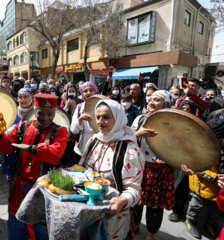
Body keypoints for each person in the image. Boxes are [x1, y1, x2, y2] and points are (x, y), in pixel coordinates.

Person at [0, 93, 68, 240]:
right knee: (16, 225)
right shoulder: (23, 126)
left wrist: (29, 148)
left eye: (50, 114)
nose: (45, 118)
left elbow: (55, 153)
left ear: (55, 113)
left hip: (45, 190)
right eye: (40, 113)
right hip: (20, 186)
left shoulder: (60, 131)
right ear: (34, 111)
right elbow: (7, 147)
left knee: (42, 229)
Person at [79, 99, 144, 240]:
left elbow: (134, 190)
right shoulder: (93, 141)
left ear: (119, 118)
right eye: (98, 117)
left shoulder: (130, 150)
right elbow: (82, 170)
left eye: (106, 117)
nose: (100, 121)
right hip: (87, 211)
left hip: (113, 217)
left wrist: (122, 201)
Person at [132, 90, 175, 240]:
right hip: (140, 166)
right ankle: (135, 224)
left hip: (161, 170)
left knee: (155, 206)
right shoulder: (139, 119)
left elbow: (180, 147)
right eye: (151, 99)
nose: (151, 102)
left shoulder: (172, 123)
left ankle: (151, 232)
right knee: (136, 200)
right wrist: (138, 134)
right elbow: (128, 140)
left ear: (166, 104)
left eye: (157, 100)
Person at [181, 109, 224, 239]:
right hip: (201, 187)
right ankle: (191, 221)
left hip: (217, 190)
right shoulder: (201, 148)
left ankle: (209, 224)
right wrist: (215, 177)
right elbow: (197, 167)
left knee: (215, 210)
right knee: (196, 207)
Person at [70, 82, 98, 164]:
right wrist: (80, 119)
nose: (88, 93)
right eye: (85, 91)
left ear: (95, 91)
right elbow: (74, 130)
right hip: (83, 143)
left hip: (98, 142)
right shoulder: (79, 107)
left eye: (91, 90)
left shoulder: (103, 105)